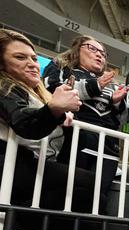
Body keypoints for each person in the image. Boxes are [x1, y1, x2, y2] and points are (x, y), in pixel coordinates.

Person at [0, 29, 94, 211]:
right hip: (10, 162)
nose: (32, 65)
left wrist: (66, 122)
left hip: (39, 165)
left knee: (85, 192)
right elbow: (25, 125)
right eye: (20, 57)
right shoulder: (4, 86)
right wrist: (54, 109)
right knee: (86, 184)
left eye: (34, 59)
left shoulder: (43, 95)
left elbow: (78, 144)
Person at [43, 36, 128, 204]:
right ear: (77, 50)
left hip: (108, 147)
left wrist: (117, 103)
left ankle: (87, 229)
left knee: (98, 198)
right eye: (93, 49)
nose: (99, 55)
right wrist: (93, 86)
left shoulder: (112, 84)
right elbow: (51, 91)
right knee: (68, 192)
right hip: (74, 139)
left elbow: (120, 121)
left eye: (103, 53)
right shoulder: (62, 67)